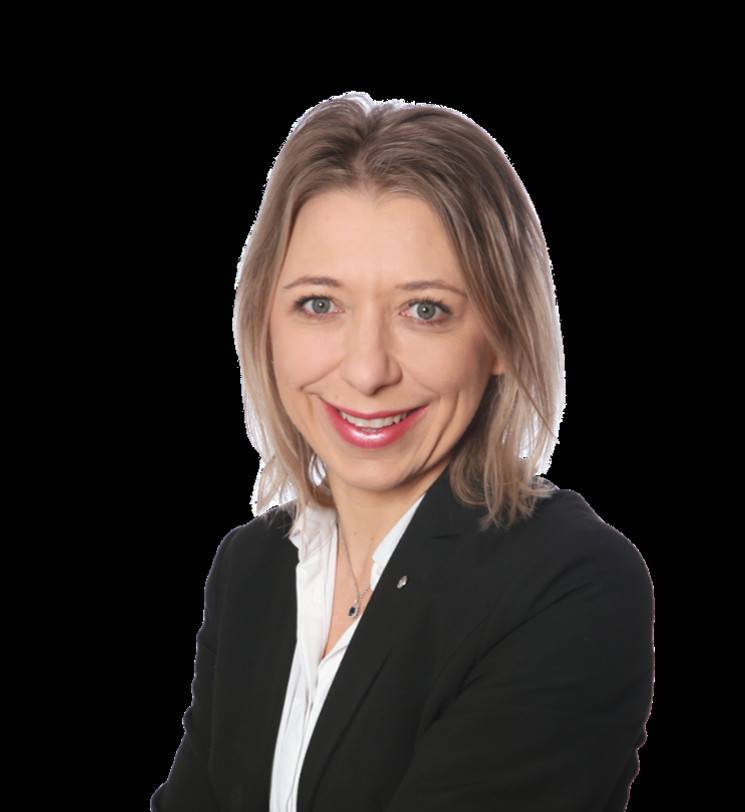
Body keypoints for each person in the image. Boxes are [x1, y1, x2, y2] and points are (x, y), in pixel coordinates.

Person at [150, 91, 654, 812]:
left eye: (425, 310)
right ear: (264, 320)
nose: (367, 371)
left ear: (503, 337)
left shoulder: (570, 585)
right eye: (319, 304)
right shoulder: (251, 569)